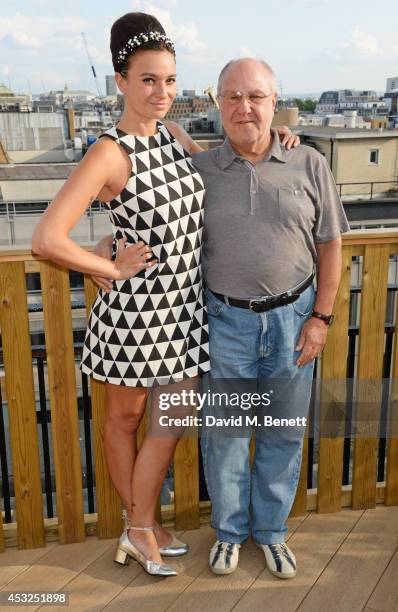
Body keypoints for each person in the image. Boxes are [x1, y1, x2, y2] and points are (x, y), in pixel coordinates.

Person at [32, 12, 297, 578]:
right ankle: (141, 526)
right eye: (148, 79)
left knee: (169, 424)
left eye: (170, 80)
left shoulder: (175, 138)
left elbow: (230, 162)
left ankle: (140, 524)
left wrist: (285, 140)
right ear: (120, 81)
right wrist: (105, 261)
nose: (162, 92)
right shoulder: (109, 151)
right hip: (133, 318)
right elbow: (46, 238)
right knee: (126, 422)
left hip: (182, 315)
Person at [193, 58, 350, 579]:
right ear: (217, 103)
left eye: (255, 96)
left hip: (294, 321)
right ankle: (230, 532)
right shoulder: (199, 170)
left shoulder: (308, 162)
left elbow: (331, 246)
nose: (245, 107)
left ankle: (271, 531)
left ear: (274, 101)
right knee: (228, 436)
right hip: (226, 324)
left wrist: (321, 317)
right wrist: (107, 247)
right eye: (232, 97)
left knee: (281, 432)